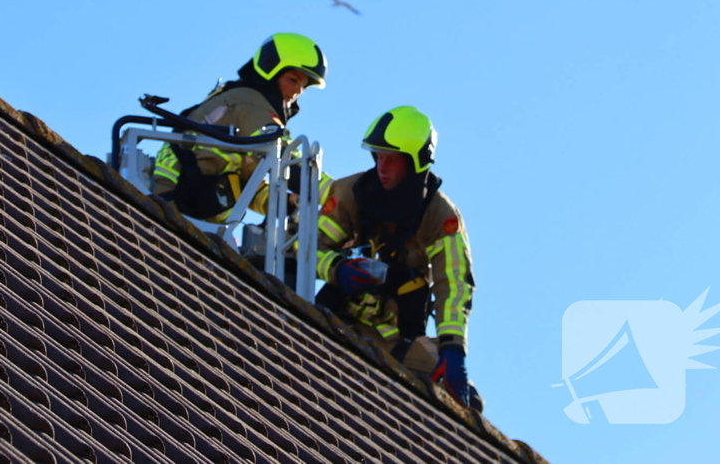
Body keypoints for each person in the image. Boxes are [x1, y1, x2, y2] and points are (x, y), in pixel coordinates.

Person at [314, 106, 479, 408]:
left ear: (416, 162)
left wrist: (453, 348)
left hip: (399, 339)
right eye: (378, 156)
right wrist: (337, 269)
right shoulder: (350, 193)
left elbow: (454, 284)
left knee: (462, 402)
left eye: (392, 159)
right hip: (338, 319)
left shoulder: (440, 216)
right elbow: (305, 246)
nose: (382, 167)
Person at [152, 33, 328, 222]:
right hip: (175, 203)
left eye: (303, 86)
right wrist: (336, 193)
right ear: (270, 69)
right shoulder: (249, 103)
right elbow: (286, 160)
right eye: (293, 80)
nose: (297, 92)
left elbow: (249, 186)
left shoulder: (244, 112)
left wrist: (288, 202)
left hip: (184, 204)